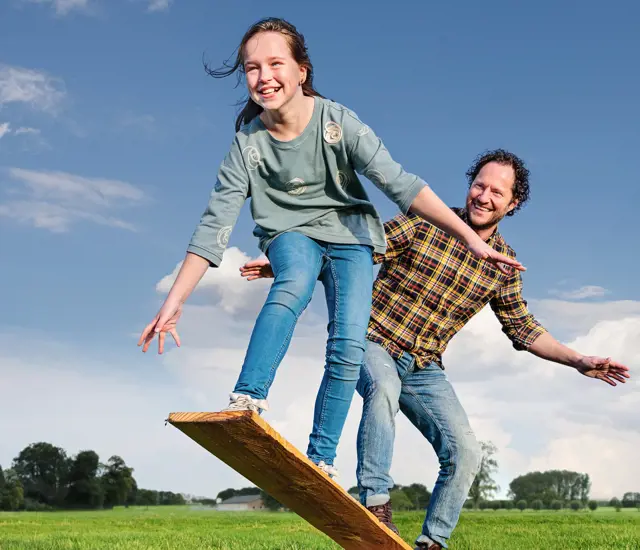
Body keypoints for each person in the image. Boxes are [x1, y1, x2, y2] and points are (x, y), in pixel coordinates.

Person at [137, 17, 523, 479]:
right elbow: (212, 228)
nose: (264, 76)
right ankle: (248, 398)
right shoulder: (246, 146)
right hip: (290, 235)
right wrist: (173, 303)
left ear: (302, 70)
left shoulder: (338, 123)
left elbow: (401, 185)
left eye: (276, 63)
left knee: (348, 344)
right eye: (252, 67)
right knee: (295, 280)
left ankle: (321, 457)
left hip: (352, 239)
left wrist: (468, 239)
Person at [239, 149, 630, 549]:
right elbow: (360, 245)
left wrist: (579, 360)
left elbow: (523, 328)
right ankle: (375, 503)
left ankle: (432, 543)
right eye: (479, 185)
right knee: (382, 391)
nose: (483, 196)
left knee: (466, 452)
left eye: (497, 192)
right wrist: (292, 263)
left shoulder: (504, 264)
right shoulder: (427, 222)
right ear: (469, 185)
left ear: (512, 205)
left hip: (424, 367)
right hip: (371, 340)